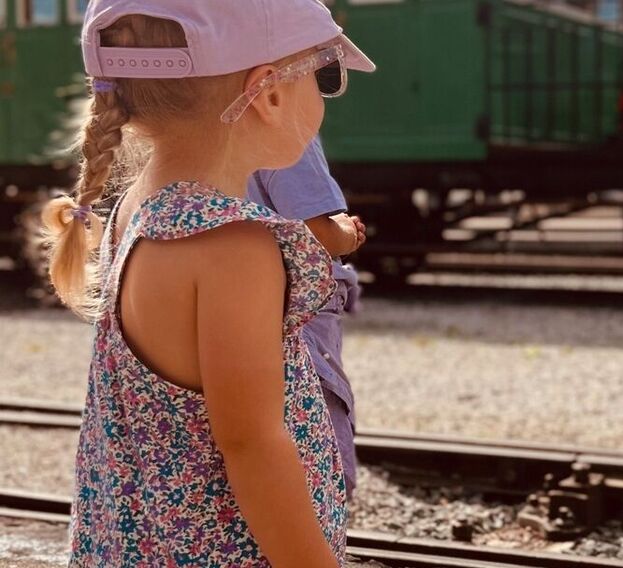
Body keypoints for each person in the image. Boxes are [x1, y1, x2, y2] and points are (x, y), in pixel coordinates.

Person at [40, 0, 375, 565]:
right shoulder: (234, 246)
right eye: (324, 74)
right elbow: (252, 447)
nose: (324, 94)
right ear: (268, 94)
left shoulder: (138, 207)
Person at [248, 137, 365, 499]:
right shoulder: (286, 132)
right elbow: (316, 233)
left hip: (237, 307)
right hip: (298, 310)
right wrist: (346, 235)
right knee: (317, 461)